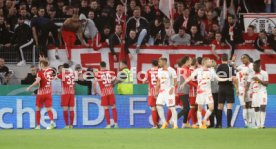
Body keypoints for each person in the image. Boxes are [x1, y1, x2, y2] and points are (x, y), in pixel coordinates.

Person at [180, 57, 232, 129]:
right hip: (200, 92)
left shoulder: (212, 70)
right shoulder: (198, 70)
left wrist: (227, 79)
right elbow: (190, 77)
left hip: (208, 92)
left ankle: (204, 120)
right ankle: (200, 124)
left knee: (211, 108)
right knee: (199, 109)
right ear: (205, 63)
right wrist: (183, 83)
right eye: (209, 61)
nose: (211, 62)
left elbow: (218, 78)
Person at [26, 59, 56, 129]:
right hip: (48, 93)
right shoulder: (50, 71)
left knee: (38, 109)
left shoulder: (40, 72)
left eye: (40, 64)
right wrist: (43, 60)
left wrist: (29, 87)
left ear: (42, 65)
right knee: (49, 109)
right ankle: (52, 123)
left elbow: (37, 82)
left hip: (41, 93)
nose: (39, 66)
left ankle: (38, 125)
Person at [94, 61, 118, 128]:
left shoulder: (97, 73)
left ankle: (108, 124)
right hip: (110, 91)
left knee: (106, 108)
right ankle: (116, 124)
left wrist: (95, 91)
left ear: (100, 66)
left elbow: (94, 83)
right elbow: (116, 80)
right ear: (105, 65)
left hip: (104, 92)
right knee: (113, 107)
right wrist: (113, 84)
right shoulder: (111, 72)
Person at [155, 57, 178, 129]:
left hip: (169, 91)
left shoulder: (171, 70)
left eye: (159, 62)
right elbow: (158, 81)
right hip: (162, 91)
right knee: (158, 105)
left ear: (164, 62)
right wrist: (156, 90)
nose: (158, 63)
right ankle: (164, 123)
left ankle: (175, 124)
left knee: (172, 107)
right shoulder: (159, 70)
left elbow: (176, 81)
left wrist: (173, 88)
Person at [246, 60, 268, 128]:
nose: (253, 67)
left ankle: (262, 124)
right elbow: (248, 85)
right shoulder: (251, 74)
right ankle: (258, 124)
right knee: (256, 108)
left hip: (262, 92)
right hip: (254, 93)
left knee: (263, 107)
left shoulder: (264, 73)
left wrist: (258, 80)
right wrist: (247, 93)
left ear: (258, 66)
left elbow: (266, 84)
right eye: (253, 66)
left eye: (254, 66)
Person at [216, 54, 236, 128]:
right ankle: (229, 125)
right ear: (227, 59)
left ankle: (219, 124)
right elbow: (233, 78)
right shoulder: (230, 67)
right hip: (229, 87)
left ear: (221, 59)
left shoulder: (218, 67)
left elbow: (216, 77)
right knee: (229, 107)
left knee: (220, 106)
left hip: (221, 88)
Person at [235, 54, 254, 128]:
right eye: (241, 58)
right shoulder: (240, 67)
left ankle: (251, 122)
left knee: (250, 105)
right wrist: (237, 89)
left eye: (244, 58)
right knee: (244, 105)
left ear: (248, 58)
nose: (243, 60)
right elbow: (235, 76)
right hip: (241, 88)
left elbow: (253, 76)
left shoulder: (252, 66)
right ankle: (246, 123)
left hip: (250, 88)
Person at [57, 63, 76, 129]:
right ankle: (71, 125)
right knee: (71, 109)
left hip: (65, 93)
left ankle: (67, 125)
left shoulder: (62, 74)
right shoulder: (73, 74)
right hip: (72, 92)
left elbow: (56, 77)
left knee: (65, 109)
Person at [177, 56, 192, 128]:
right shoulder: (186, 69)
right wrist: (197, 86)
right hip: (183, 90)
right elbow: (188, 81)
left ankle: (184, 123)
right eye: (190, 60)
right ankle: (174, 119)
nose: (191, 62)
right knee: (186, 108)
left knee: (187, 108)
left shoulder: (180, 69)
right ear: (187, 61)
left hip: (181, 90)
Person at [144, 60, 159, 128]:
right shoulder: (160, 71)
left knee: (153, 108)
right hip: (160, 91)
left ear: (152, 64)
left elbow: (144, 81)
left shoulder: (148, 71)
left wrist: (148, 82)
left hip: (152, 92)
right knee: (159, 108)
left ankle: (155, 125)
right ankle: (158, 123)